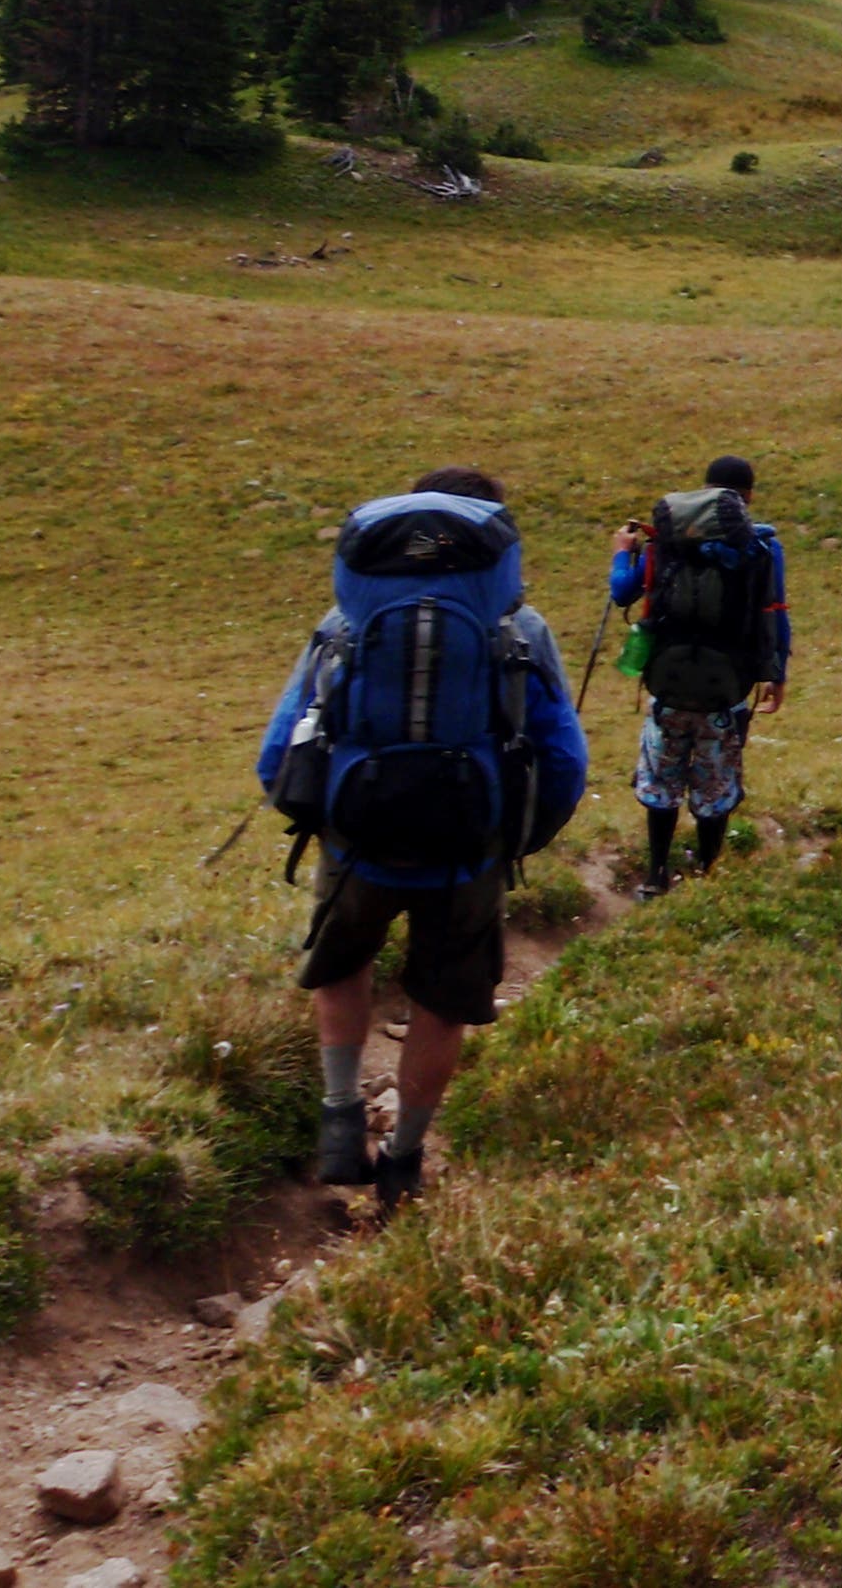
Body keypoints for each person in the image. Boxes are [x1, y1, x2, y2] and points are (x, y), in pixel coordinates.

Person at [256, 466, 587, 1207]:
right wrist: (519, 838)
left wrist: (324, 818)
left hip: (357, 842)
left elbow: (279, 751)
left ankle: (341, 1118)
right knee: (441, 1003)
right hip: (466, 853)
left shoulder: (344, 627)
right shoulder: (520, 631)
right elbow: (564, 756)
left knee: (342, 965)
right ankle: (403, 1159)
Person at [610, 454, 789, 896]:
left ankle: (655, 876)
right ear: (746, 497)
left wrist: (621, 553)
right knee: (716, 781)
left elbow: (622, 593)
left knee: (661, 779)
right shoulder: (761, 547)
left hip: (667, 684)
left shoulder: (666, 540)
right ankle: (707, 874)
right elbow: (775, 612)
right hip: (725, 691)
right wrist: (776, 674)